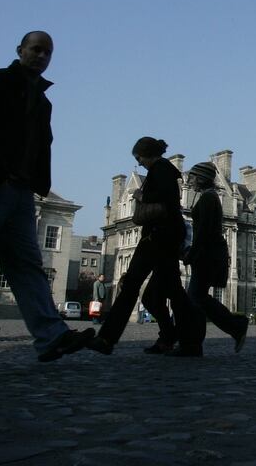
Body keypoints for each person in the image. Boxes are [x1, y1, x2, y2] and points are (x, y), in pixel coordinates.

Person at [0, 31, 94, 362]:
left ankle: (52, 336)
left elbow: (41, 144)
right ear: (21, 50)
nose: (41, 56)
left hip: (22, 192)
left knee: (27, 266)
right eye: (36, 49)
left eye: (47, 52)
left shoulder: (42, 100)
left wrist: (38, 181)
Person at [89, 138, 201, 357]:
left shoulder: (161, 169)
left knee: (131, 284)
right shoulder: (164, 169)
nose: (139, 163)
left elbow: (163, 198)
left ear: (146, 153)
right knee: (164, 293)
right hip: (164, 235)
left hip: (158, 235)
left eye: (138, 158)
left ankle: (106, 338)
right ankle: (179, 339)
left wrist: (140, 195)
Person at [182, 162, 248, 352]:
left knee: (196, 297)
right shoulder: (207, 197)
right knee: (197, 298)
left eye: (193, 177)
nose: (191, 181)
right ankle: (195, 343)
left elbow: (204, 233)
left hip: (207, 255)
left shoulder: (209, 199)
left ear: (202, 178)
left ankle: (234, 326)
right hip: (207, 254)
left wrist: (191, 254)